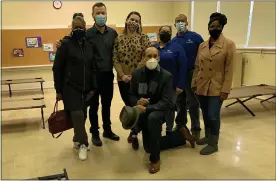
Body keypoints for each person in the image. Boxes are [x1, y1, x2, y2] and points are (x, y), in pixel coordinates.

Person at [56, 2, 120, 147]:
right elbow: (72, 40)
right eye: (97, 13)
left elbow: (118, 52)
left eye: (103, 13)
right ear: (92, 15)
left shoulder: (113, 33)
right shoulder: (88, 34)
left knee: (107, 105)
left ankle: (107, 130)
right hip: (92, 77)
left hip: (108, 74)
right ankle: (95, 133)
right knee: (93, 106)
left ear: (106, 13)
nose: (101, 16)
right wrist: (60, 43)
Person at [128, 47, 195, 174]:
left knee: (152, 118)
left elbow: (166, 102)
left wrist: (146, 108)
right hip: (144, 109)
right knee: (148, 147)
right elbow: (130, 95)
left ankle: (155, 159)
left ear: (159, 58)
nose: (152, 58)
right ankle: (180, 135)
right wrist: (137, 102)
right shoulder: (137, 74)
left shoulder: (166, 76)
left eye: (155, 55)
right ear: (144, 57)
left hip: (161, 109)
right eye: (149, 56)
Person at [52, 16, 97, 161]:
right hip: (70, 88)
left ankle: (76, 139)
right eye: (75, 27)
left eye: (80, 27)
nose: (78, 29)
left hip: (86, 88)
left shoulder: (89, 45)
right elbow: (57, 68)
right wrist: (58, 90)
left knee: (82, 116)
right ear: (72, 29)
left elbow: (93, 68)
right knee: (77, 114)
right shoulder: (65, 45)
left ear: (85, 28)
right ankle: (83, 144)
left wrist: (94, 87)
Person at [192, 12, 236, 155]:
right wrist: (194, 82)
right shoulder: (202, 45)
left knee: (213, 115)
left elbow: (230, 69)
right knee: (205, 114)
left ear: (222, 27)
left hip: (217, 87)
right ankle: (208, 136)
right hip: (202, 85)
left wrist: (226, 89)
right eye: (211, 26)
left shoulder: (228, 44)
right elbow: (197, 66)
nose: (213, 28)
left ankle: (213, 143)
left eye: (217, 26)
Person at [113, 11, 151, 150]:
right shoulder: (119, 39)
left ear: (139, 23)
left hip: (139, 79)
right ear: (126, 20)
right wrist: (122, 75)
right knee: (129, 105)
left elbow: (147, 56)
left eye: (137, 20)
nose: (134, 22)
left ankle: (134, 133)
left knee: (138, 105)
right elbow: (115, 59)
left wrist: (134, 74)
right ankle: (134, 129)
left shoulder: (143, 38)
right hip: (122, 80)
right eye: (132, 19)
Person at [171, 14, 204, 139]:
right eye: (177, 21)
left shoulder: (195, 37)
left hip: (191, 73)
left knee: (193, 102)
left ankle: (195, 128)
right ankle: (180, 125)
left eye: (182, 21)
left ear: (187, 23)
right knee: (179, 102)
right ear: (175, 25)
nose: (180, 23)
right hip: (179, 75)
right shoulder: (173, 41)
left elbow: (204, 53)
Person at [153, 25, 187, 135]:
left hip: (172, 85)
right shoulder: (154, 48)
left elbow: (183, 66)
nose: (165, 33)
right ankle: (157, 129)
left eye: (167, 31)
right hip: (156, 85)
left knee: (170, 108)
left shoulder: (177, 48)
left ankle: (169, 130)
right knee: (156, 108)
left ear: (171, 34)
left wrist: (181, 85)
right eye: (163, 31)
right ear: (159, 33)